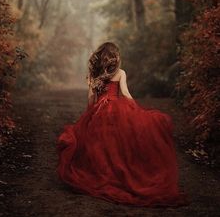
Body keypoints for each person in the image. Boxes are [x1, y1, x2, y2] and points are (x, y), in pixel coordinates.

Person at [56, 41, 190, 207]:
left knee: (101, 146)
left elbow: (91, 100)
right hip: (117, 110)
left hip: (99, 111)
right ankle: (119, 175)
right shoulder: (120, 73)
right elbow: (125, 93)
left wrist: (88, 116)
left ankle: (103, 174)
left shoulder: (93, 74)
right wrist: (137, 110)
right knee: (118, 145)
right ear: (114, 58)